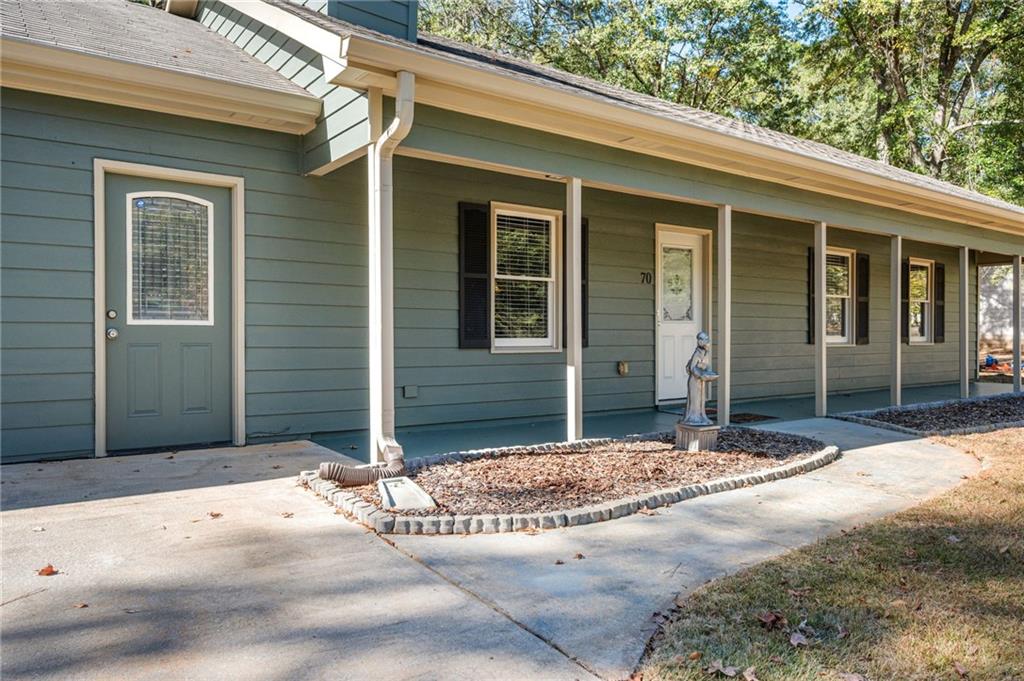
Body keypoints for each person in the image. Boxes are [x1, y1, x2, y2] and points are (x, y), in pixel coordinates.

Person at [683, 331, 719, 426]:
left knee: (701, 399)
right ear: (699, 341)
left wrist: (709, 373)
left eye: (707, 339)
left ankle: (701, 416)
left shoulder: (705, 353)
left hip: (701, 380)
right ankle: (693, 417)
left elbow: (707, 366)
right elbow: (692, 368)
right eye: (704, 339)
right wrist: (700, 374)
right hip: (695, 380)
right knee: (695, 399)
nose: (707, 341)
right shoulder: (697, 353)